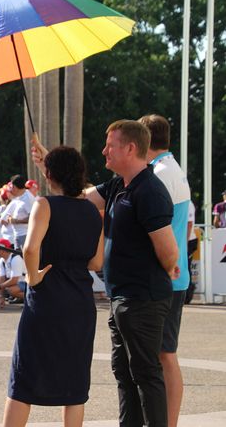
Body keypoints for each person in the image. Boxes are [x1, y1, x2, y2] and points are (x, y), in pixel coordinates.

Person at [32, 120, 179, 427]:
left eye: (110, 145)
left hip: (142, 297)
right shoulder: (119, 185)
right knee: (125, 373)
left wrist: (164, 270)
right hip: (122, 296)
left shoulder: (149, 190)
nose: (104, 151)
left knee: (146, 374)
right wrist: (52, 166)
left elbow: (169, 252)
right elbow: (79, 196)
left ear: (131, 148)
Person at [3, 146, 104, 427]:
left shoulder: (44, 204)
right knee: (75, 384)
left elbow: (30, 248)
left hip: (47, 300)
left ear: (49, 175)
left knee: (24, 377)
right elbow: (96, 262)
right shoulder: (93, 212)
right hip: (80, 302)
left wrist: (33, 277)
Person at [140, 114, 192, 427]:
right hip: (173, 275)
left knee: (165, 356)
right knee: (165, 355)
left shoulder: (159, 173)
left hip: (166, 279)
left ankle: (168, 423)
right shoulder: (170, 169)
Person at [0, 238, 26, 308]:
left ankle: (33, 298)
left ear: (3, 250)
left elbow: (14, 280)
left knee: (11, 290)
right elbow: (2, 278)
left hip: (27, 283)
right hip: (18, 282)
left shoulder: (16, 259)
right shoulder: (2, 260)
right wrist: (1, 297)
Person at [0, 175, 35, 249]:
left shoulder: (28, 198)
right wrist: (10, 218)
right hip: (18, 235)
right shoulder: (19, 197)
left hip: (25, 235)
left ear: (15, 187)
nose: (10, 189)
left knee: (23, 260)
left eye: (11, 187)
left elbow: (34, 217)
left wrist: (16, 221)